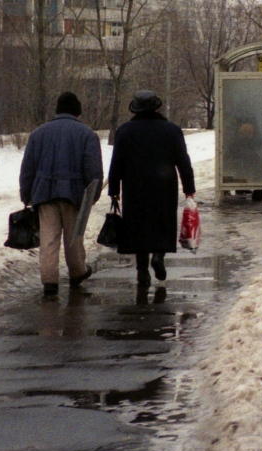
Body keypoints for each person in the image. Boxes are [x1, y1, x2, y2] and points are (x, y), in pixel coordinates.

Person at [108, 90, 195, 289]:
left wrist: (114, 190)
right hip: (164, 186)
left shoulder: (125, 131)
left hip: (134, 187)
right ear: (157, 108)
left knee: (138, 226)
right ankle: (158, 256)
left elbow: (117, 163)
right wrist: (189, 187)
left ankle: (142, 271)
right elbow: (183, 161)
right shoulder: (171, 130)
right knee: (162, 222)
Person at [19, 91, 102, 298]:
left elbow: (28, 167)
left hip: (44, 193)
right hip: (74, 194)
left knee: (48, 238)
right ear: (77, 112)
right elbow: (93, 169)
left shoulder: (38, 133)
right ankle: (77, 272)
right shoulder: (87, 134)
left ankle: (49, 281)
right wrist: (93, 194)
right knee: (74, 237)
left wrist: (26, 194)